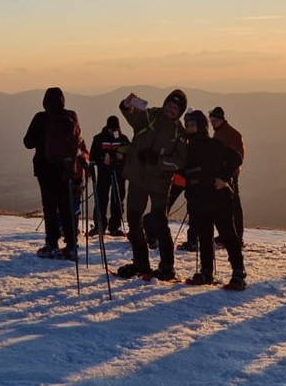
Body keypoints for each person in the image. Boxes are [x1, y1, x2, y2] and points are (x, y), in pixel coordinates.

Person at [116, 90, 188, 280]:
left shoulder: (179, 131)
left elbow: (181, 161)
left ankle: (167, 266)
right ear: (164, 104)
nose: (171, 110)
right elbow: (130, 114)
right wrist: (127, 103)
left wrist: (158, 161)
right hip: (138, 178)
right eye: (169, 105)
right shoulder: (151, 116)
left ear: (180, 112)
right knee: (133, 219)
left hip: (159, 182)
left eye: (175, 108)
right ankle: (141, 263)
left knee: (159, 222)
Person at [183, 110, 246, 289]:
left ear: (202, 126)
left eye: (193, 124)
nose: (190, 128)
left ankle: (238, 272)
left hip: (218, 199)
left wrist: (224, 178)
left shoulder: (213, 145)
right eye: (187, 125)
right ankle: (206, 271)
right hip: (200, 199)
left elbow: (236, 158)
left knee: (228, 236)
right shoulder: (188, 149)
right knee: (205, 237)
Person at [23, 87, 81, 260]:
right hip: (66, 169)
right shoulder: (71, 116)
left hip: (45, 169)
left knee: (50, 207)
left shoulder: (41, 117)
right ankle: (71, 245)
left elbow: (28, 142)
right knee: (66, 207)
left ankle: (52, 244)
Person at [209, 107, 246, 248]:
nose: (212, 123)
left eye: (215, 120)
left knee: (233, 206)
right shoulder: (220, 133)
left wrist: (226, 173)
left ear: (221, 119)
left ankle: (236, 237)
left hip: (229, 176)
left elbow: (238, 156)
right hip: (223, 175)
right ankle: (228, 235)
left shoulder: (230, 134)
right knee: (226, 206)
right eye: (211, 121)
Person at [89, 116, 129, 237]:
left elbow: (130, 154)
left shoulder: (123, 139)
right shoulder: (99, 138)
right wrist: (102, 159)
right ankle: (99, 226)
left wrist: (122, 158)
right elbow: (92, 157)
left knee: (117, 199)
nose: (114, 131)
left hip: (119, 173)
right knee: (101, 199)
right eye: (112, 129)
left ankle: (114, 227)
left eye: (116, 129)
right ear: (108, 127)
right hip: (104, 173)